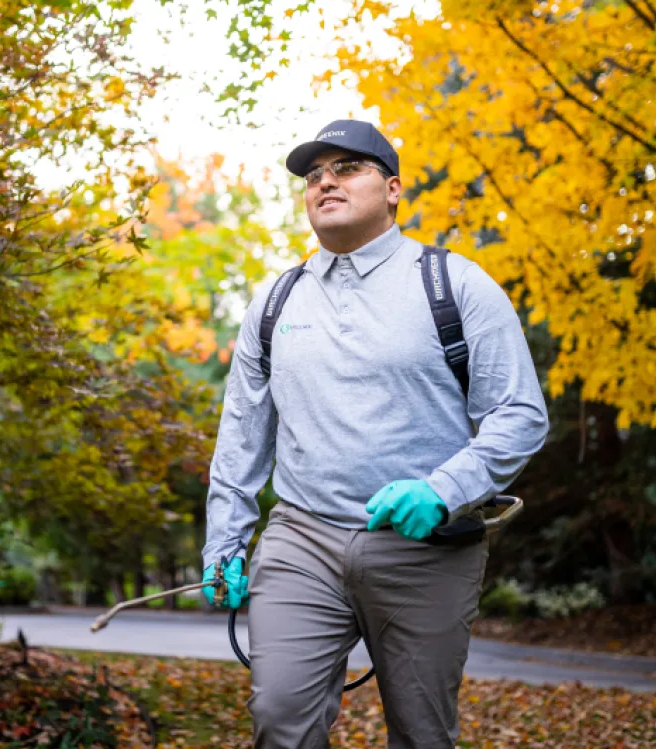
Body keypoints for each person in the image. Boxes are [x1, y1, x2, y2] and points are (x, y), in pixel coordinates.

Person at [201, 119, 549, 749]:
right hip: (301, 541)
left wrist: (443, 490)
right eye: (313, 175)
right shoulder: (275, 303)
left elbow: (520, 414)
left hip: (425, 551)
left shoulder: (455, 284)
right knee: (279, 719)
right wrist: (224, 539)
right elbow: (243, 435)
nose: (325, 182)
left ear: (392, 189)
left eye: (346, 168)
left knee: (421, 734)